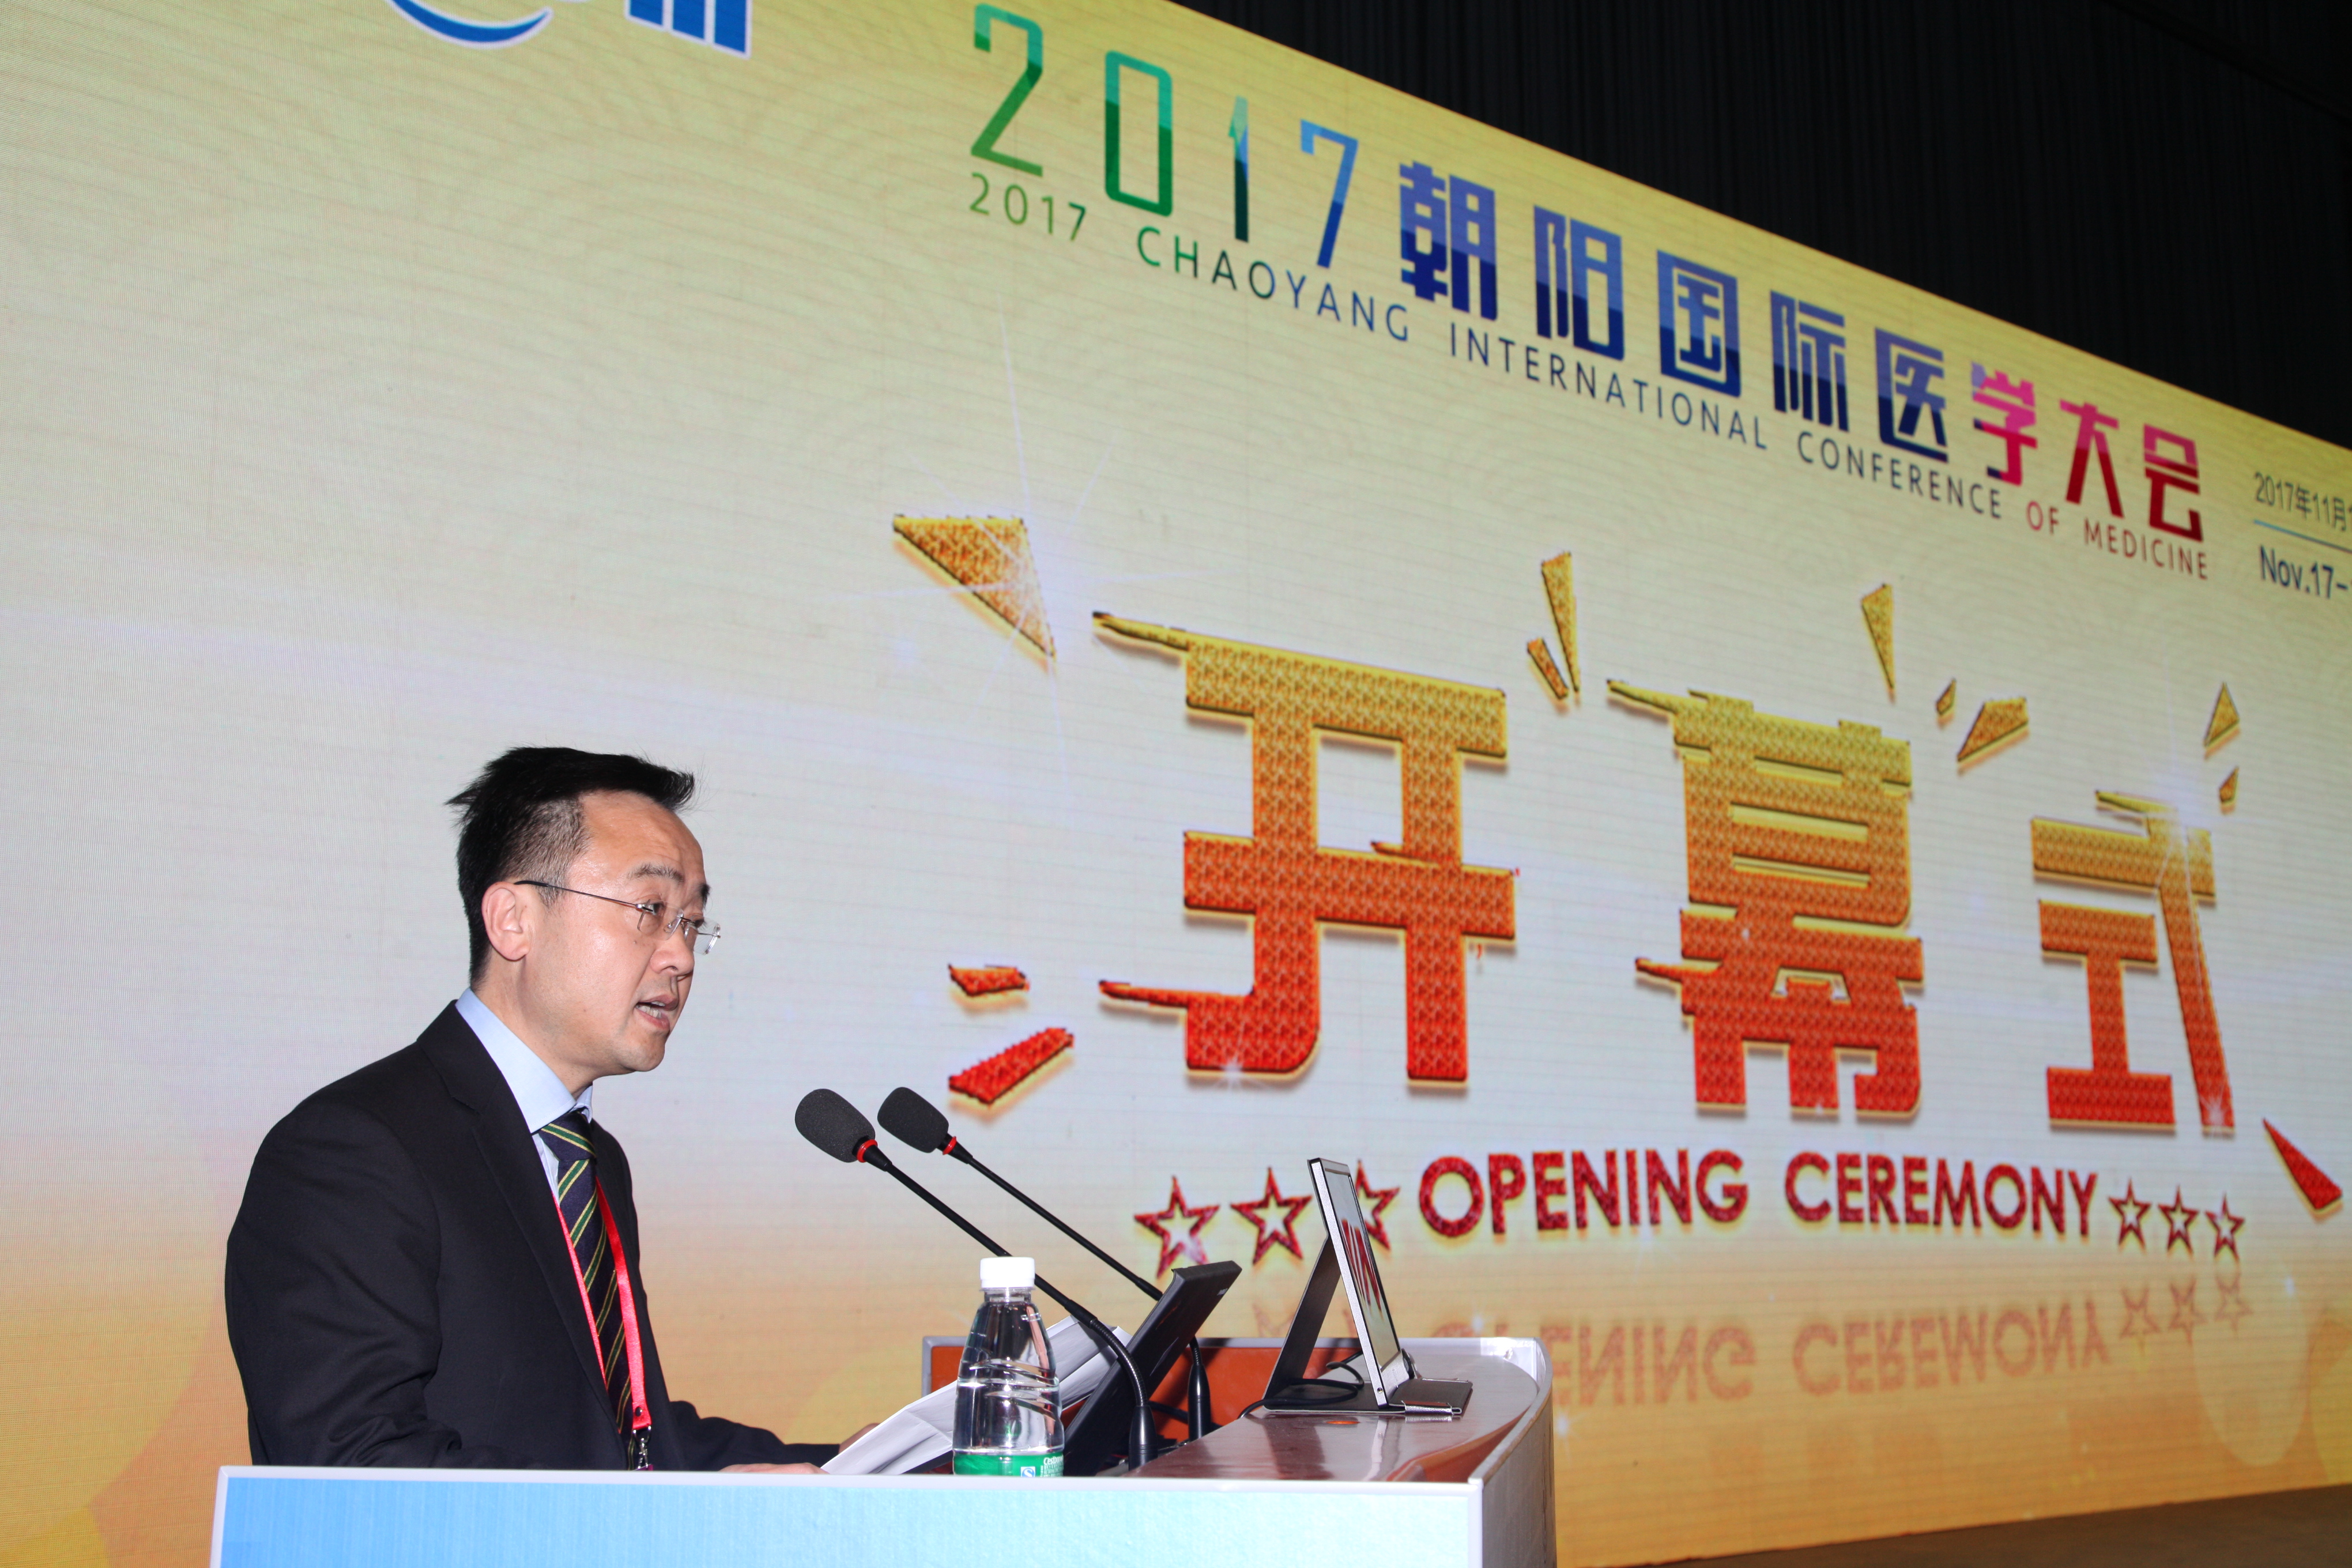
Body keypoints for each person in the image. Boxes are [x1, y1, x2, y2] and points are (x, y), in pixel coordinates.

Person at [227, 747, 845, 1470]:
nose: (680, 957)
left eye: (691, 922)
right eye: (650, 910)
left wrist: (852, 1463)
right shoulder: (355, 1150)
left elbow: (625, 1437)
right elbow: (357, 1464)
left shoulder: (591, 1159)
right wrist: (658, 1524)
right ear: (513, 919)